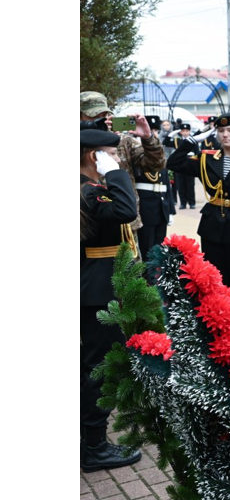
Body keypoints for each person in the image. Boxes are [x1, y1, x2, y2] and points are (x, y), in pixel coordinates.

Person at [80, 128, 143, 472]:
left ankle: (88, 439)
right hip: (99, 291)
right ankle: (94, 447)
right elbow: (125, 210)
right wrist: (115, 173)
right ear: (96, 157)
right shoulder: (89, 192)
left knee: (90, 366)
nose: (117, 160)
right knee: (98, 369)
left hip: (97, 286)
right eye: (111, 154)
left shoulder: (88, 190)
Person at [167, 114, 230, 303]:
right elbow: (173, 163)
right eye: (221, 131)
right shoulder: (206, 159)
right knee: (213, 280)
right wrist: (190, 141)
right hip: (212, 227)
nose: (225, 135)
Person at [80, 92, 166, 241]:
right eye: (94, 117)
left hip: (126, 225)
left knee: (130, 264)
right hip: (88, 226)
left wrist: (148, 138)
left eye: (104, 115)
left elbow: (156, 165)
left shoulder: (121, 140)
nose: (101, 120)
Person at [164, 123, 198, 209]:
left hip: (190, 164)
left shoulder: (193, 140)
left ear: (189, 131)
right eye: (183, 131)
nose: (185, 132)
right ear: (181, 132)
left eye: (187, 131)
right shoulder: (177, 141)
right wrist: (173, 133)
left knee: (190, 185)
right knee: (180, 185)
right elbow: (166, 142)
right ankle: (183, 203)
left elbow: (197, 153)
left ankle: (192, 203)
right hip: (179, 165)